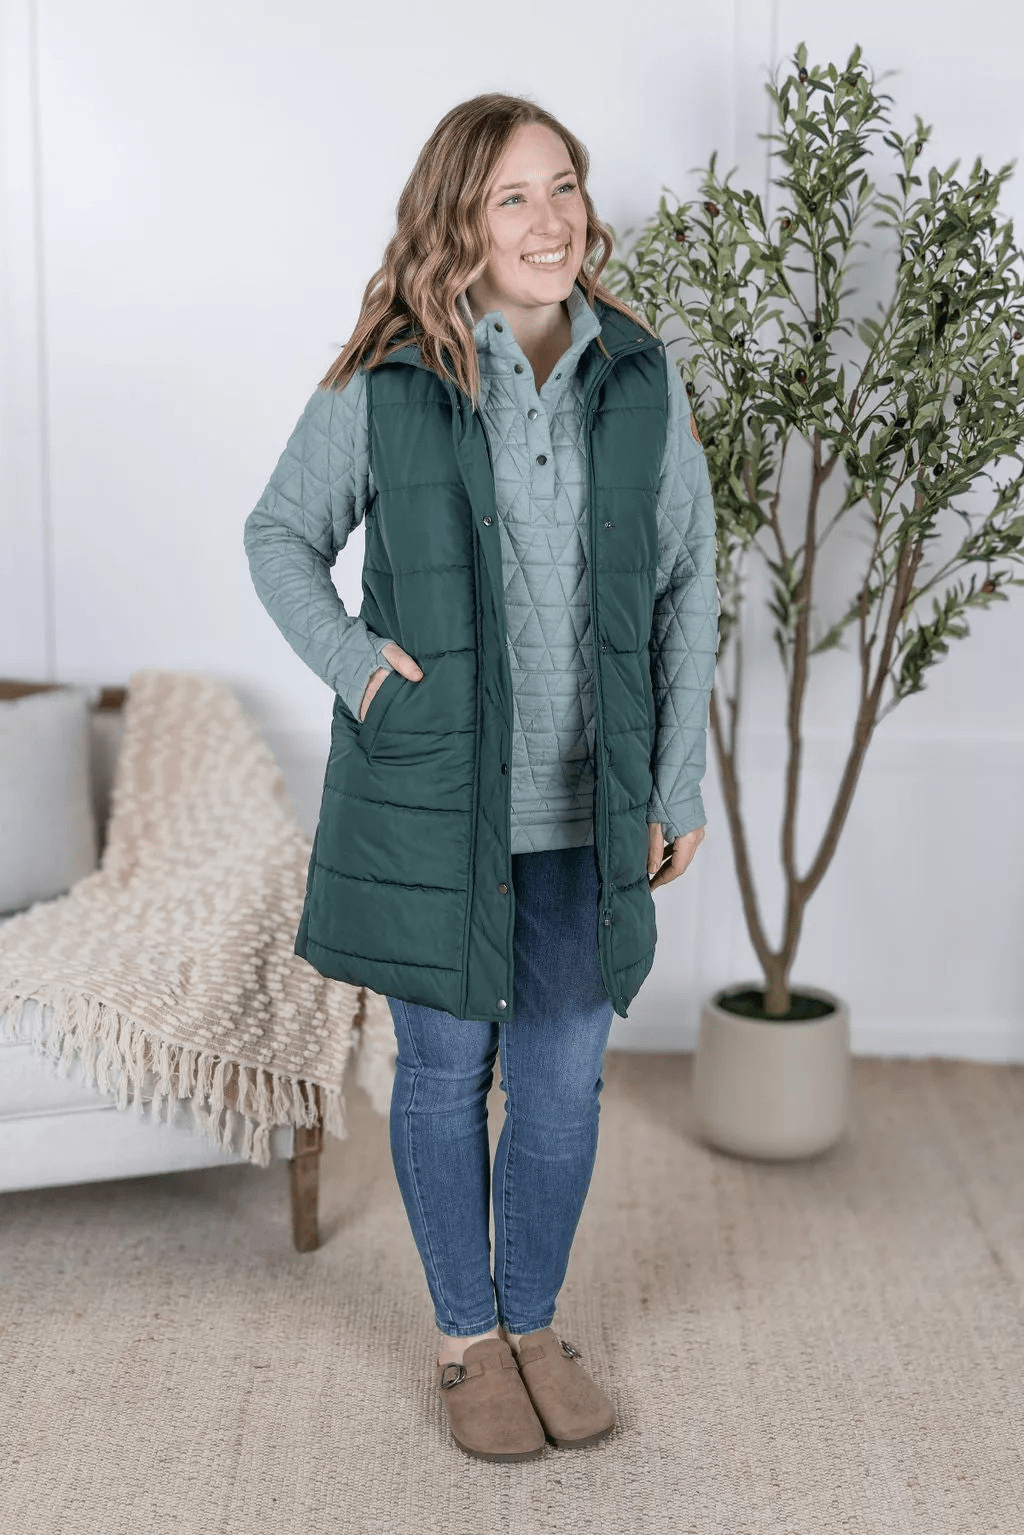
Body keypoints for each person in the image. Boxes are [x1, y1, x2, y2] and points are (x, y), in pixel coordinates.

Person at [243, 93, 719, 1463]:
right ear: (460, 215)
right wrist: (362, 669)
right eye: (515, 195)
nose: (551, 219)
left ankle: (535, 1322)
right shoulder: (391, 378)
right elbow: (279, 537)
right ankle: (467, 1336)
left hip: (589, 804)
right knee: (445, 1075)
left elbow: (688, 578)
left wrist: (676, 779)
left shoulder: (638, 372)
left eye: (563, 186)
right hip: (435, 803)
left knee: (562, 1087)